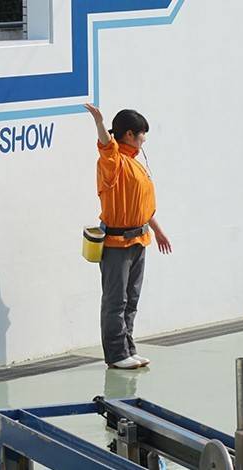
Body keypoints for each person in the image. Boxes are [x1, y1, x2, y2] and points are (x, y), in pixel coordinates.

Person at [84, 104, 172, 369]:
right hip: (116, 244)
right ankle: (116, 354)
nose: (145, 139)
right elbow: (105, 145)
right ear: (130, 134)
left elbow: (141, 207)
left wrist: (157, 231)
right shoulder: (113, 162)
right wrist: (100, 123)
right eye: (142, 133)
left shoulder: (135, 164)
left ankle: (128, 348)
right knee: (116, 300)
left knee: (131, 300)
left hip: (138, 240)